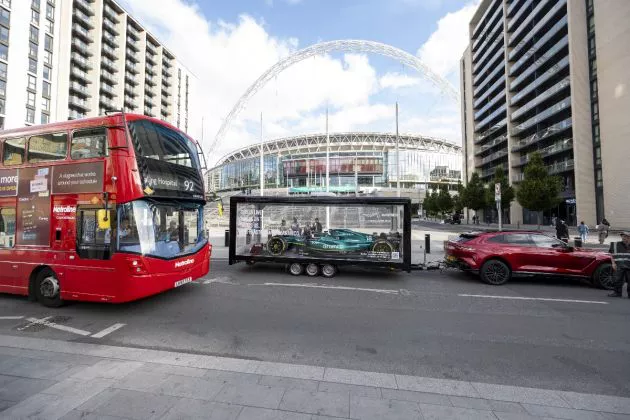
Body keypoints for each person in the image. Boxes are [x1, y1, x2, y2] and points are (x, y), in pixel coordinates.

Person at [608, 231, 630, 298]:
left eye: (626, 236)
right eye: (623, 236)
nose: (624, 238)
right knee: (617, 279)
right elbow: (611, 254)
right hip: (619, 265)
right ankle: (617, 293)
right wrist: (613, 263)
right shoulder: (616, 244)